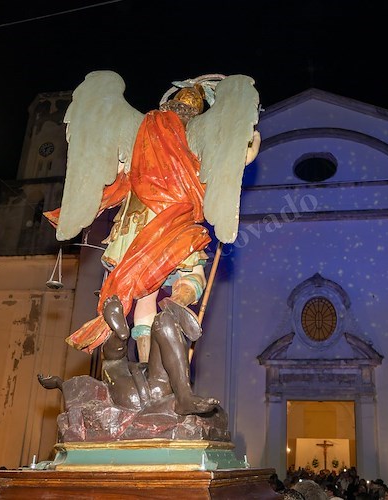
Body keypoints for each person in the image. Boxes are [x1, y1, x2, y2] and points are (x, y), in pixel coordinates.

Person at [44, 71, 260, 414]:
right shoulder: (198, 132)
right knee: (189, 275)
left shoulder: (142, 128)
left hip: (140, 220)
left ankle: (148, 354)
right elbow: (237, 157)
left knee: (141, 291)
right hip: (177, 215)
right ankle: (176, 306)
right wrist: (246, 146)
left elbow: (115, 167)